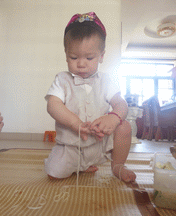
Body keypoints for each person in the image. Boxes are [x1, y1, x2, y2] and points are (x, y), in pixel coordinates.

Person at [44, 12, 136, 182]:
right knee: (53, 174)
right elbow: (53, 104)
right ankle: (79, 165)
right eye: (73, 57)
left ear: (101, 56)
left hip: (100, 142)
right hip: (71, 145)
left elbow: (121, 104)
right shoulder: (62, 80)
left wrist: (114, 118)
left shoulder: (106, 81)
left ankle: (118, 166)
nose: (81, 63)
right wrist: (75, 123)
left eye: (89, 57)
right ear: (66, 54)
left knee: (125, 127)